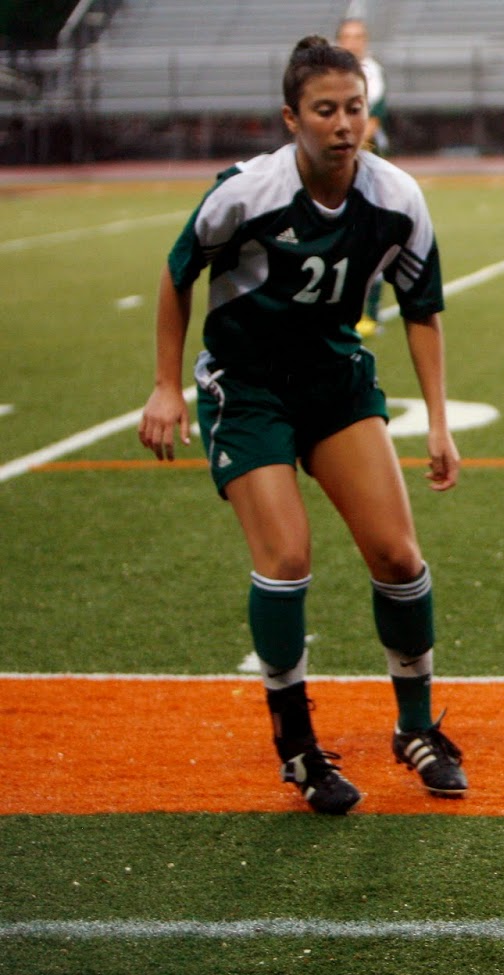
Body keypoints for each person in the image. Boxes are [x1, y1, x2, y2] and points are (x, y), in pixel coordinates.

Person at [137, 35, 467, 815]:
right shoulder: (247, 192)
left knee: (398, 554)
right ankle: (297, 745)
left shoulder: (397, 197)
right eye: (325, 110)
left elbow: (422, 308)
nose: (344, 124)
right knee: (286, 557)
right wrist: (164, 387)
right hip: (247, 388)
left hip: (333, 380)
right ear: (292, 118)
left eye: (355, 108)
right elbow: (179, 273)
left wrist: (439, 421)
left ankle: (415, 726)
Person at [336, 16, 388, 337]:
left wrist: (347, 149)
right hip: (335, 162)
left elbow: (372, 121)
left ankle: (370, 312)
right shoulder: (329, 74)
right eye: (347, 36)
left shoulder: (371, 73)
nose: (353, 42)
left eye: (358, 36)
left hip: (364, 160)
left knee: (369, 236)